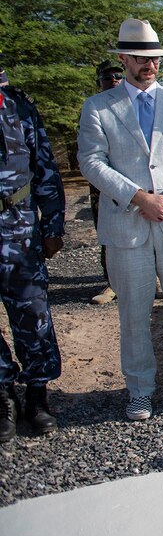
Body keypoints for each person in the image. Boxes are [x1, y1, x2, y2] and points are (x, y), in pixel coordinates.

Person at [78, 19, 163, 421]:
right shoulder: (98, 106)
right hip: (127, 223)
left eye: (154, 58)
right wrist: (138, 198)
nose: (149, 65)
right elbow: (90, 160)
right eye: (140, 58)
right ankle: (140, 388)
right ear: (122, 58)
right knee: (133, 311)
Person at [0, 74, 64, 440]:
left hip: (18, 228)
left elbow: (45, 167)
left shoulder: (18, 106)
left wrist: (53, 225)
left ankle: (38, 394)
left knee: (33, 314)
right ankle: (3, 394)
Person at [88, 60, 125, 305]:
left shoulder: (135, 105)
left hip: (138, 184)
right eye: (107, 77)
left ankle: (153, 279)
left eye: (117, 76)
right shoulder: (93, 109)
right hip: (103, 185)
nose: (113, 80)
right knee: (109, 233)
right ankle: (112, 283)